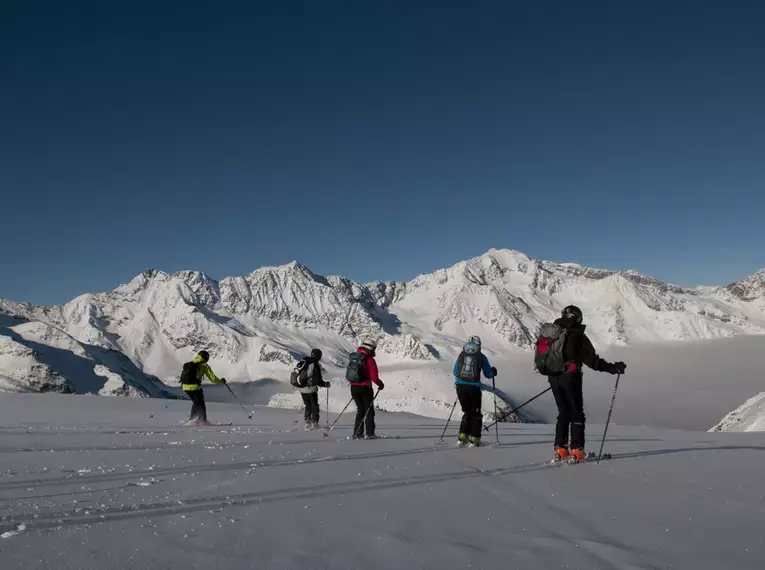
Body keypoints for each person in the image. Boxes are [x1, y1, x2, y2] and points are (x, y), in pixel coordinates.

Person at [548, 305, 626, 463]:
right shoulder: (578, 336)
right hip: (571, 378)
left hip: (553, 378)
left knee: (563, 412)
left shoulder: (552, 333)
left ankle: (560, 448)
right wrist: (613, 368)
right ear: (577, 318)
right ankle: (577, 450)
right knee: (577, 412)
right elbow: (593, 362)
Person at [453, 335, 497, 447]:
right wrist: (493, 371)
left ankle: (463, 436)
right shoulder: (481, 357)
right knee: (476, 413)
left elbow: (454, 372)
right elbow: (488, 374)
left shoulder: (461, 355)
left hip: (460, 387)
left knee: (467, 412)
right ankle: (475, 438)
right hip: (474, 388)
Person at [348, 339, 384, 439]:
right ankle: (370, 433)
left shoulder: (354, 357)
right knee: (369, 411)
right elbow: (374, 377)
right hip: (365, 388)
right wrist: (380, 384)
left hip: (353, 387)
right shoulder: (369, 360)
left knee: (360, 410)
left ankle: (357, 433)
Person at [182, 350, 226, 426]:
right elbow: (213, 378)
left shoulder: (191, 363)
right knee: (200, 402)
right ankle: (202, 420)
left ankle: (194, 419)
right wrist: (221, 382)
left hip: (185, 386)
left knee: (196, 402)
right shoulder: (204, 365)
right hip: (194, 387)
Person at [296, 349, 331, 430]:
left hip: (302, 388)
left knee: (308, 405)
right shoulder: (315, 364)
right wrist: (325, 384)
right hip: (311, 389)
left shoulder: (305, 362)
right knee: (314, 406)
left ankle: (307, 422)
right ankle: (314, 423)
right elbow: (317, 380)